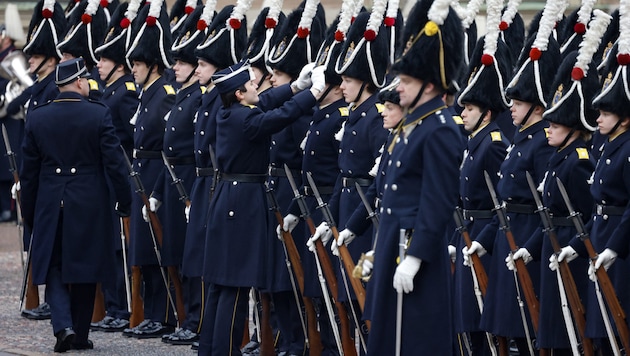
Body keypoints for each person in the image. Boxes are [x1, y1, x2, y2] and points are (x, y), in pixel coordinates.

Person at [197, 59, 325, 356]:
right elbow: (282, 115)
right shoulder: (245, 119)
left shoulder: (232, 111)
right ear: (240, 94)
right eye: (252, 83)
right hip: (241, 204)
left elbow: (266, 100)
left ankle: (212, 350)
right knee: (235, 285)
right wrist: (314, 92)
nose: (259, 84)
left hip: (231, 198)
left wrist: (296, 86)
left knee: (221, 284)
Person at [465, 5, 560, 353]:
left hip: (528, 236)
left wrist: (529, 247)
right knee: (505, 327)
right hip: (508, 233)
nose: (512, 109)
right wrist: (487, 240)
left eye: (519, 104)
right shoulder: (521, 138)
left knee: (527, 328)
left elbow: (546, 202)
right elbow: (501, 200)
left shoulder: (541, 143)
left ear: (536, 107)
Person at [19, 57, 132, 353]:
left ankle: (63, 327)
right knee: (84, 267)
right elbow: (115, 164)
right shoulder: (98, 114)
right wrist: (124, 200)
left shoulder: (38, 117)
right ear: (80, 81)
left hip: (49, 200)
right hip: (89, 201)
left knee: (55, 267)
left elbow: (28, 172)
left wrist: (29, 210)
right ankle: (79, 334)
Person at [451, 5, 514, 351]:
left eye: (470, 109)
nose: (463, 113)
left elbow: (496, 200)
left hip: (485, 235)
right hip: (468, 230)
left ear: (486, 113)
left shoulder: (491, 145)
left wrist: (483, 239)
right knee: (467, 316)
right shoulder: (474, 143)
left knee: (481, 317)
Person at [564, 34, 630, 354]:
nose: (598, 118)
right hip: (601, 238)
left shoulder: (627, 150)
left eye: (606, 112)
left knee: (619, 329)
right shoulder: (607, 149)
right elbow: (597, 208)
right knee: (601, 330)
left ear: (625, 117)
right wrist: (578, 246)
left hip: (621, 248)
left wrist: (615, 248)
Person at [147, 4, 205, 345]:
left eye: (184, 62)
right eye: (178, 62)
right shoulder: (183, 95)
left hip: (188, 179)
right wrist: (157, 188)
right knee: (173, 252)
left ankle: (195, 319)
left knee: (189, 254)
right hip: (171, 179)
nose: (178, 66)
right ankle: (182, 317)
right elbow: (166, 150)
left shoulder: (196, 97)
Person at [122, 0, 178, 339]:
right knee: (144, 250)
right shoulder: (148, 93)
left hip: (155, 173)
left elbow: (165, 147)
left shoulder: (164, 94)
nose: (134, 69)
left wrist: (155, 190)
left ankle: (163, 314)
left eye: (139, 63)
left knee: (158, 251)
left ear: (153, 64)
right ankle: (152, 312)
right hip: (142, 171)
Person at [89, 1, 141, 333]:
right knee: (108, 244)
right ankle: (113, 304)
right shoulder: (111, 90)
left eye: (105, 59)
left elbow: (133, 138)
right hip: (106, 175)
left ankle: (122, 307)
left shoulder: (125, 93)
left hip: (119, 172)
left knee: (119, 246)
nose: (99, 64)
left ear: (118, 65)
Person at [18, 0, 68, 322]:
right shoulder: (39, 89)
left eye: (35, 55)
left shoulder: (54, 89)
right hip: (35, 172)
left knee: (55, 245)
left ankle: (59, 303)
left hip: (54, 177)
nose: (30, 59)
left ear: (50, 57)